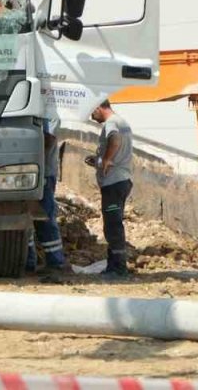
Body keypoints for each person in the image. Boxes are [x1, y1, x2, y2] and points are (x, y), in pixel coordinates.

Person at [85, 100, 133, 278]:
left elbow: (115, 139)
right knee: (114, 222)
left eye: (92, 112)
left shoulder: (112, 123)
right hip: (121, 181)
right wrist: (99, 160)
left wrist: (106, 160)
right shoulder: (122, 122)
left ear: (99, 107)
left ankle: (118, 268)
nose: (92, 117)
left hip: (113, 183)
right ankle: (114, 265)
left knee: (113, 225)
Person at [26, 112, 67, 274]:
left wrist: (32, 161)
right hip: (28, 172)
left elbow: (48, 139)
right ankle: (28, 260)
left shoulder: (51, 114)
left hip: (44, 173)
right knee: (25, 216)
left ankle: (55, 261)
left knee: (45, 216)